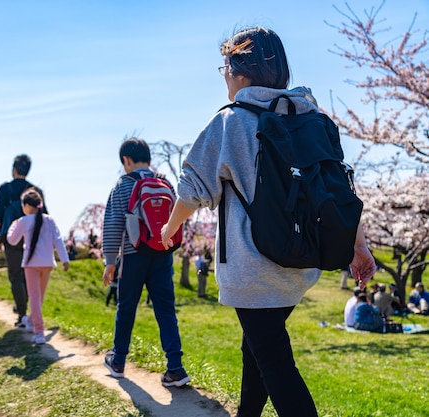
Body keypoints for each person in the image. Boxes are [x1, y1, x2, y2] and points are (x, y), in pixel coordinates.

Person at [159, 27, 376, 416]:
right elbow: (340, 187)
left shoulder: (231, 121)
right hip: (300, 262)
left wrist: (169, 228)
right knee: (257, 349)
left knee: (274, 361)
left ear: (241, 70)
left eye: (225, 66)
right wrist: (359, 246)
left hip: (252, 266)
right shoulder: (314, 120)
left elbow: (193, 188)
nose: (224, 75)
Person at [101, 137, 190, 388]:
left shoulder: (123, 184)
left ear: (126, 161)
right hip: (162, 254)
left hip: (133, 254)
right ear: (149, 159)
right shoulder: (165, 183)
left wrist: (110, 260)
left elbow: (113, 224)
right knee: (165, 309)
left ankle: (117, 360)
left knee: (126, 307)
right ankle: (175, 368)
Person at [7, 188, 69, 345]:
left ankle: (39, 331)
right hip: (47, 263)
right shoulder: (50, 220)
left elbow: (12, 240)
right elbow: (58, 240)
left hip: (31, 265)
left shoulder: (23, 221)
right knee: (39, 297)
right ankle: (30, 320)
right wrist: (65, 259)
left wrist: (13, 226)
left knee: (34, 297)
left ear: (27, 205)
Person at [0, 154, 45, 327]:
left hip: (12, 239)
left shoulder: (5, 189)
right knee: (29, 275)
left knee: (16, 275)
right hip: (32, 239)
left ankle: (22, 313)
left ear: (14, 169)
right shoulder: (36, 190)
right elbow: (44, 217)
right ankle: (29, 309)